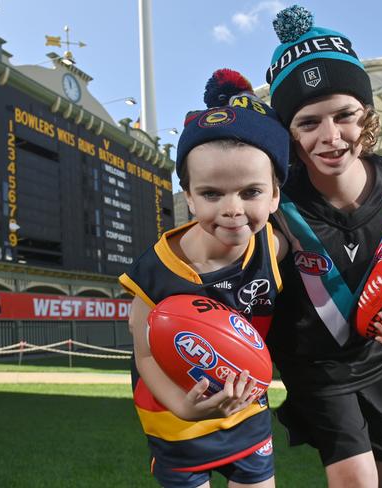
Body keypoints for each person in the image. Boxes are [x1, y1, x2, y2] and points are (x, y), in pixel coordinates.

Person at [264, 6, 382, 488]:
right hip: (315, 368)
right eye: (308, 123)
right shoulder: (276, 202)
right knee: (358, 481)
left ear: (365, 113)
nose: (330, 136)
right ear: (287, 131)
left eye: (345, 115)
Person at [119, 69, 289, 488]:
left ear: (275, 195)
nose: (232, 208)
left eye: (250, 192)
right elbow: (144, 355)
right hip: (177, 422)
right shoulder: (156, 271)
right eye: (212, 194)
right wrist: (183, 406)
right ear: (189, 196)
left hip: (246, 410)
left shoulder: (275, 246)